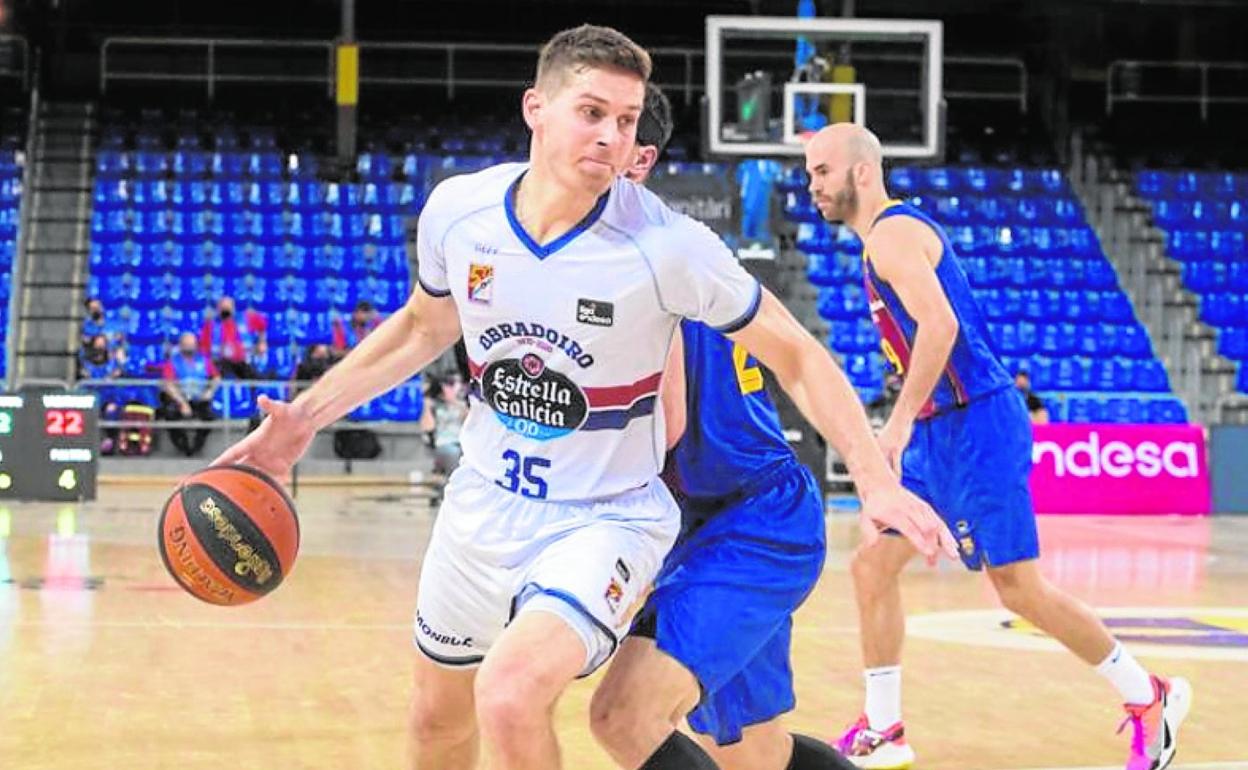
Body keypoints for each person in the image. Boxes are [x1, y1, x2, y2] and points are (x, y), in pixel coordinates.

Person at [214, 26, 951, 770]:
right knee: (444, 721)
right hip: (485, 502)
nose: (610, 137)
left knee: (523, 697)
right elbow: (423, 323)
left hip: (627, 514)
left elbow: (791, 352)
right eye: (592, 113)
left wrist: (876, 477)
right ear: (535, 107)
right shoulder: (459, 212)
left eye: (626, 121)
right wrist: (306, 415)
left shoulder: (667, 249)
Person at [803, 123, 1191, 770]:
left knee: (1017, 587)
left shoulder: (893, 235)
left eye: (821, 170)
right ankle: (884, 726)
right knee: (873, 567)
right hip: (940, 428)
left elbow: (941, 326)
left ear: (861, 172)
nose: (811, 183)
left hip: (976, 424)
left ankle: (1150, 696)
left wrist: (893, 428)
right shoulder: (883, 241)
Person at [591, 82, 861, 770]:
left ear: (638, 156)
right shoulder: (667, 248)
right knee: (756, 756)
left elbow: (668, 425)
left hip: (748, 520)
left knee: (626, 717)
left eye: (606, 122)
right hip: (728, 515)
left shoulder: (645, 259)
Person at [160, 332, 220, 457]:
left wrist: (210, 391)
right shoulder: (173, 362)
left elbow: (216, 378)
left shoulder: (204, 360)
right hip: (179, 398)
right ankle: (183, 444)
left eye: (191, 344)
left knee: (210, 415)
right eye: (186, 344)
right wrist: (182, 403)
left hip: (200, 398)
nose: (189, 346)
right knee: (169, 414)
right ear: (181, 345)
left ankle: (198, 444)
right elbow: (168, 384)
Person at [199, 296, 265, 379]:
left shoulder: (245, 319)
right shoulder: (210, 326)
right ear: (218, 309)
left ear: (233, 308)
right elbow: (203, 350)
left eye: (228, 308)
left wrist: (262, 342)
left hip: (242, 363)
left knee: (257, 379)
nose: (225, 311)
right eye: (223, 308)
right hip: (220, 364)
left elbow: (263, 325)